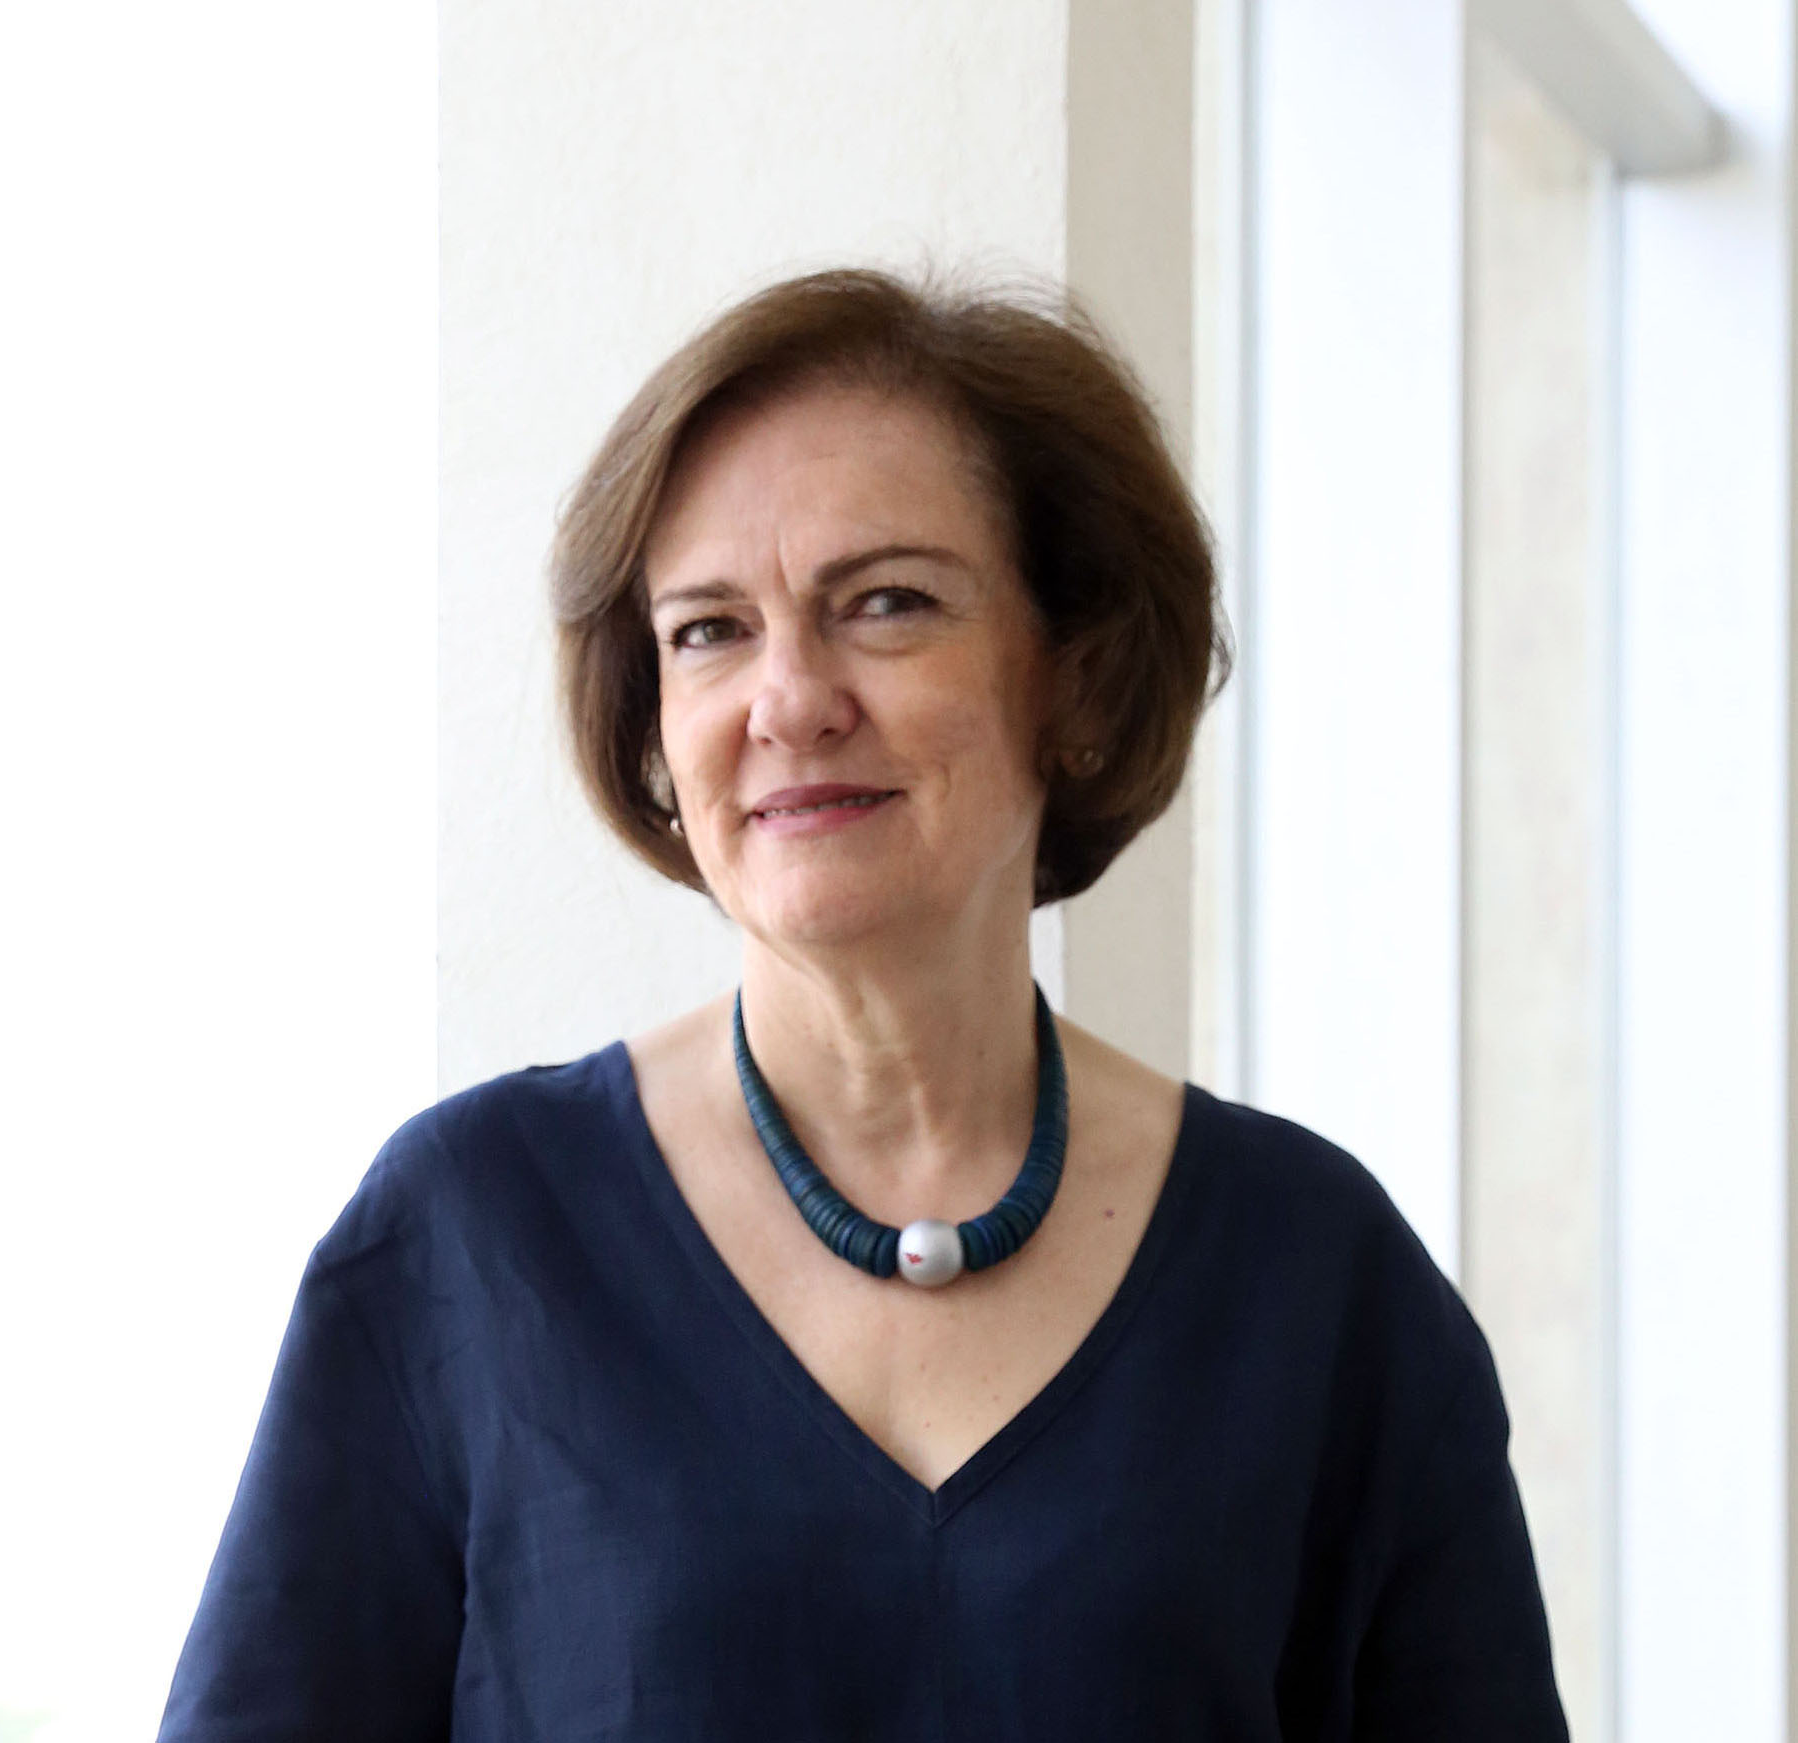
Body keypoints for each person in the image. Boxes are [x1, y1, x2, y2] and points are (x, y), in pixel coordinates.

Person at [157, 269, 1568, 1740]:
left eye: (886, 604)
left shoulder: (1317, 1288)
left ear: (1077, 682)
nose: (787, 700)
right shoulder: (470, 1240)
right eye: (708, 630)